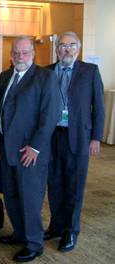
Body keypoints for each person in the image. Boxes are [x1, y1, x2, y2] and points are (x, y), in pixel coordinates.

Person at [0, 36, 59, 262]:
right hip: (7, 149)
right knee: (11, 196)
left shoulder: (45, 77)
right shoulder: (5, 76)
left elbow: (50, 116)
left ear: (33, 54)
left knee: (31, 199)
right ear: (11, 55)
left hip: (30, 152)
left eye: (24, 52)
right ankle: (20, 234)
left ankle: (35, 243)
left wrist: (35, 147)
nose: (20, 56)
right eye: (16, 53)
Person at [44, 32, 105, 252]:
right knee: (54, 183)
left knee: (74, 186)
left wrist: (96, 137)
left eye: (71, 45)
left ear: (78, 49)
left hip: (79, 137)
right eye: (62, 45)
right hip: (52, 137)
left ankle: (71, 231)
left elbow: (99, 106)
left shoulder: (89, 71)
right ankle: (56, 225)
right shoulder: (47, 72)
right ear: (56, 49)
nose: (66, 49)